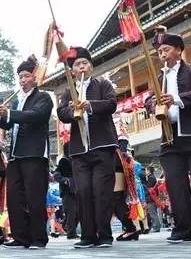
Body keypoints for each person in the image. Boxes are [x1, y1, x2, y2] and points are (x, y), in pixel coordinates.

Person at [146, 31, 191, 243]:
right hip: (170, 138)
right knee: (175, 184)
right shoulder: (158, 78)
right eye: (159, 51)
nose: (163, 55)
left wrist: (176, 98)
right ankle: (183, 229)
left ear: (178, 51)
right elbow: (150, 101)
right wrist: (153, 105)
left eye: (166, 50)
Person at [58, 47, 118, 249]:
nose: (81, 67)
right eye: (77, 65)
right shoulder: (69, 90)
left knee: (101, 191)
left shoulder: (102, 84)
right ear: (72, 70)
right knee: (82, 191)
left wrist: (89, 105)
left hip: (102, 146)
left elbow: (111, 104)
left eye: (84, 63)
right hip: (78, 150)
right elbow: (61, 113)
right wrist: (72, 109)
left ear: (91, 66)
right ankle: (88, 235)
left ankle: (105, 235)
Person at [0, 55, 53, 249]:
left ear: (34, 77)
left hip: (34, 154)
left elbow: (35, 116)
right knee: (15, 198)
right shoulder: (18, 101)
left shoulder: (43, 97)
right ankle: (20, 237)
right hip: (16, 155)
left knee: (34, 197)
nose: (23, 80)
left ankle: (38, 238)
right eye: (20, 77)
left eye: (26, 76)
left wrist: (8, 113)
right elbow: (9, 124)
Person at [53, 144, 78, 239]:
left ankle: (67, 227)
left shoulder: (74, 160)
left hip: (75, 190)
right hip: (67, 191)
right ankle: (71, 233)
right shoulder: (64, 160)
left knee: (76, 213)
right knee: (71, 213)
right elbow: (56, 174)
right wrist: (65, 181)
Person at [146, 166, 162, 233]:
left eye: (146, 170)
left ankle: (156, 227)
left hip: (151, 198)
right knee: (153, 213)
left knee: (153, 213)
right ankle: (156, 227)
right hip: (152, 198)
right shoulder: (152, 177)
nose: (145, 172)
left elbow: (149, 188)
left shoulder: (151, 178)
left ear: (149, 171)